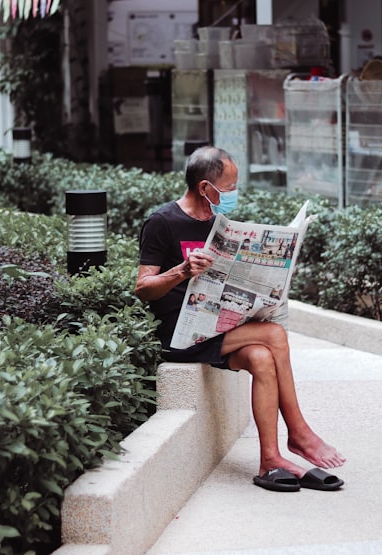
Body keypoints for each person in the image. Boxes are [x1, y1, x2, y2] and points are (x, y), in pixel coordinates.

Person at [136, 145, 345, 492]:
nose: (234, 193)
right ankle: (299, 432)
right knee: (274, 336)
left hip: (217, 329)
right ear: (205, 187)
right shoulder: (163, 222)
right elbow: (143, 287)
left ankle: (270, 459)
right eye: (229, 187)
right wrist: (181, 271)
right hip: (180, 334)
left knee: (262, 358)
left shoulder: (219, 224)